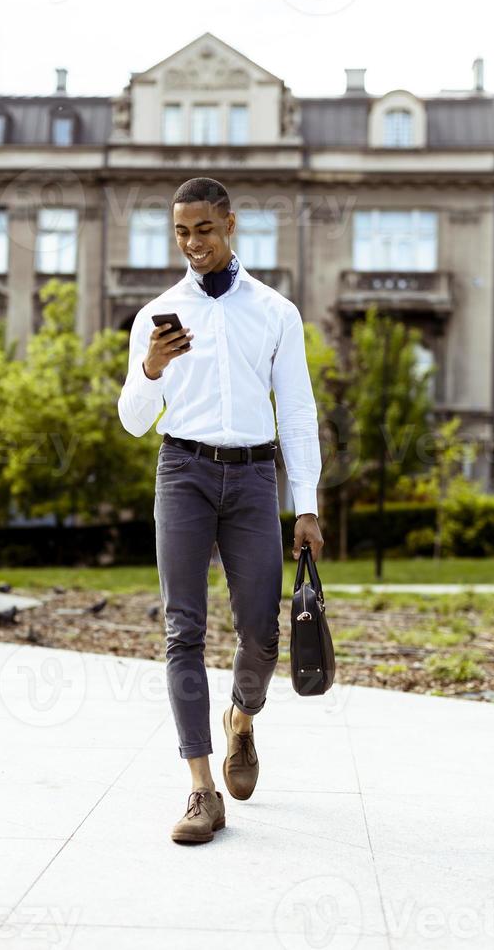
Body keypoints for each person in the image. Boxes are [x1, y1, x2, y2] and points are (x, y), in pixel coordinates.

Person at [118, 177, 323, 844]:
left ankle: (241, 718)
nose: (192, 243)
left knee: (262, 631)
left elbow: (295, 412)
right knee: (184, 630)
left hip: (254, 476)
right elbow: (131, 421)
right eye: (181, 232)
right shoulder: (159, 313)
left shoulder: (275, 312)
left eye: (204, 229)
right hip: (181, 472)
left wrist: (307, 506)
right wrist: (149, 369)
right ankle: (201, 791)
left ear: (230, 225)